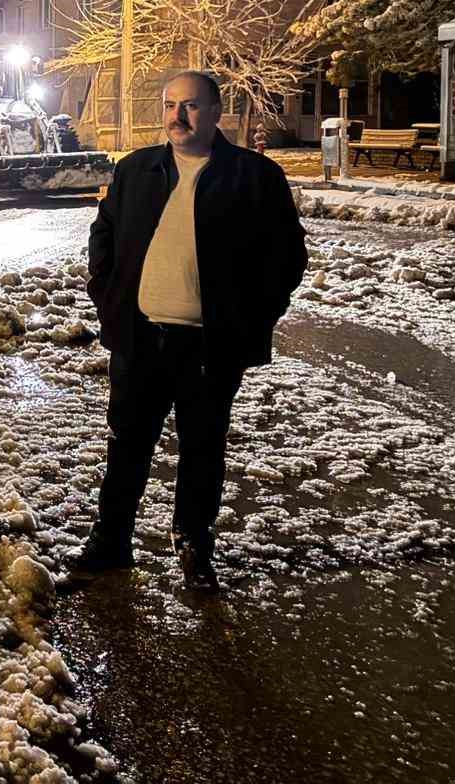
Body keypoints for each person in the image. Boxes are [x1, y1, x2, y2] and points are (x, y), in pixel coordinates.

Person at [75, 70, 307, 591]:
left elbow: (286, 259)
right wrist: (108, 298)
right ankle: (112, 542)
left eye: (191, 105)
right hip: (141, 339)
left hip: (210, 347)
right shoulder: (136, 171)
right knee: (127, 445)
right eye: (170, 104)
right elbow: (104, 235)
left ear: (216, 111)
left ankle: (195, 548)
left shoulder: (254, 177)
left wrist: (252, 317)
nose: (178, 116)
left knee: (202, 449)